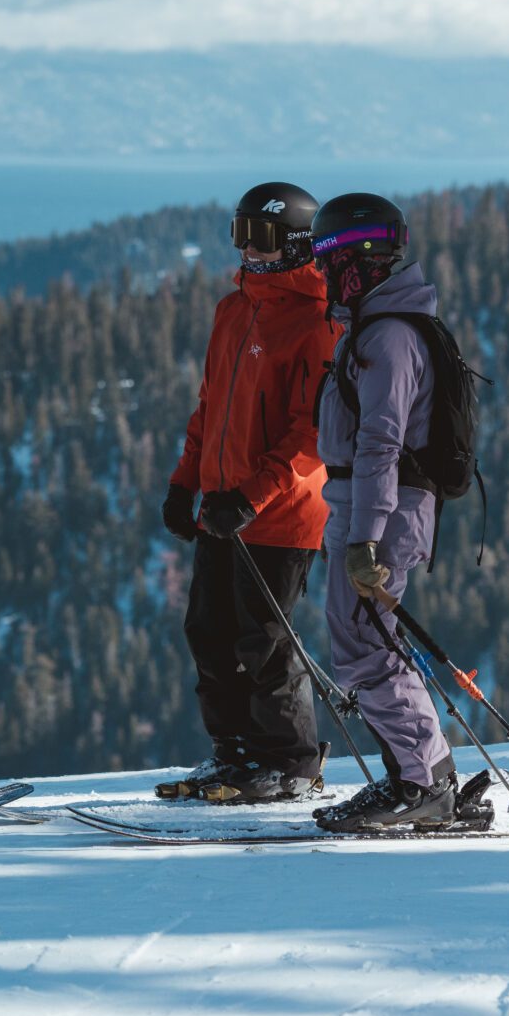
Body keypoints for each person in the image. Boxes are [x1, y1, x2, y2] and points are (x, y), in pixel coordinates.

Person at [159, 182, 340, 803]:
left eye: (260, 239)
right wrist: (186, 484)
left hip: (282, 511)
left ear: (294, 245)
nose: (248, 252)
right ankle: (235, 756)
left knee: (263, 638)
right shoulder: (232, 310)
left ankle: (290, 761)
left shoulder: (317, 322)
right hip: (223, 505)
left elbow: (310, 433)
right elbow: (210, 406)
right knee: (208, 631)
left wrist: (252, 496)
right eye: (240, 236)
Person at [306, 192, 459, 832]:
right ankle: (425, 774)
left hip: (383, 511)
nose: (319, 273)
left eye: (327, 259)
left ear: (358, 260)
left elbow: (381, 441)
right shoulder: (375, 327)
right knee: (365, 641)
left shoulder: (389, 336)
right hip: (366, 505)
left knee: (367, 646)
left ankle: (421, 784)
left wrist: (365, 537)